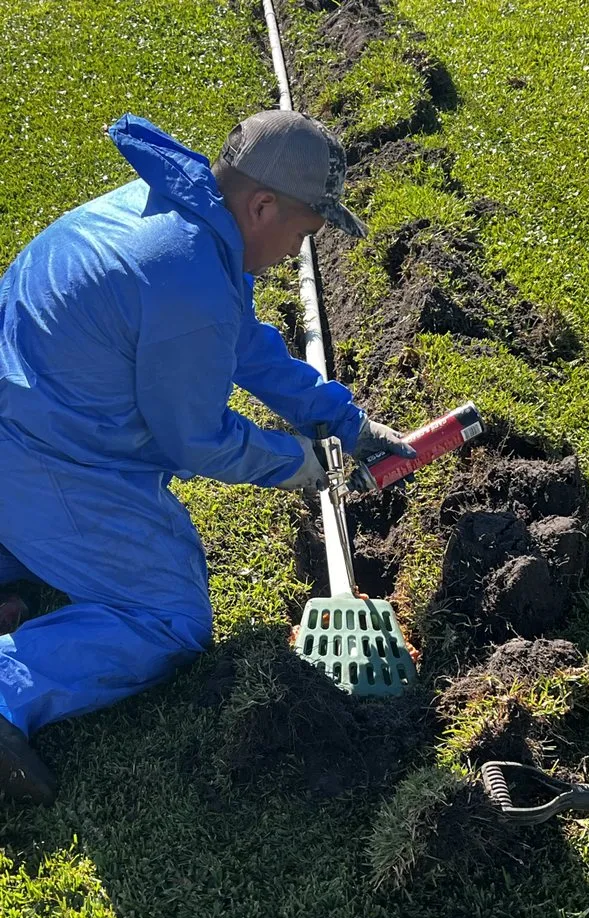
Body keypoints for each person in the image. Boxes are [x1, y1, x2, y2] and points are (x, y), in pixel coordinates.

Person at [0, 109, 415, 805]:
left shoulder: (179, 218)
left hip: (27, 414)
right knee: (168, 617)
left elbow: (242, 343)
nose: (296, 253)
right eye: (304, 233)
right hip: (47, 455)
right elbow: (192, 439)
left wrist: (344, 419)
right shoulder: (188, 283)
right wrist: (297, 464)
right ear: (263, 205)